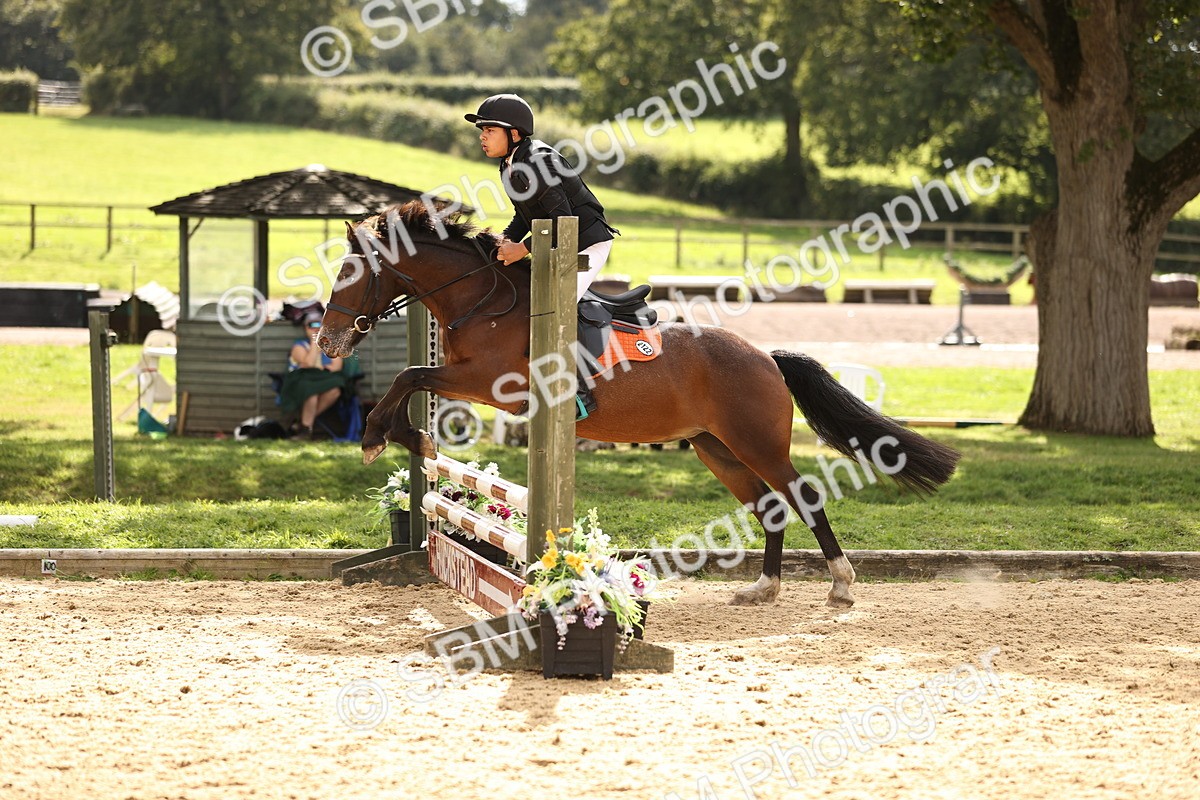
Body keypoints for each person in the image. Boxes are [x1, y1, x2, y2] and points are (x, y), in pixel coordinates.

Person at [466, 93, 619, 418]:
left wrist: (521, 248)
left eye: (489, 130)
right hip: (559, 242)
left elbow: (563, 220)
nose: (482, 136)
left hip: (587, 243)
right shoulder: (509, 165)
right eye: (482, 130)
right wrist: (503, 241)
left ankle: (579, 393)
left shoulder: (538, 161)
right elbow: (526, 216)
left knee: (558, 305)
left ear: (514, 133)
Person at [280, 311, 344, 439]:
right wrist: (315, 343)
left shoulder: (331, 346)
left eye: (319, 325)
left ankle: (302, 424)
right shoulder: (299, 346)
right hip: (301, 382)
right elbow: (308, 364)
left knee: (335, 390)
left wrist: (322, 367)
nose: (315, 328)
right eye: (311, 325)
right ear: (305, 328)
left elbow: (336, 367)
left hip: (323, 381)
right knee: (311, 392)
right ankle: (305, 431)